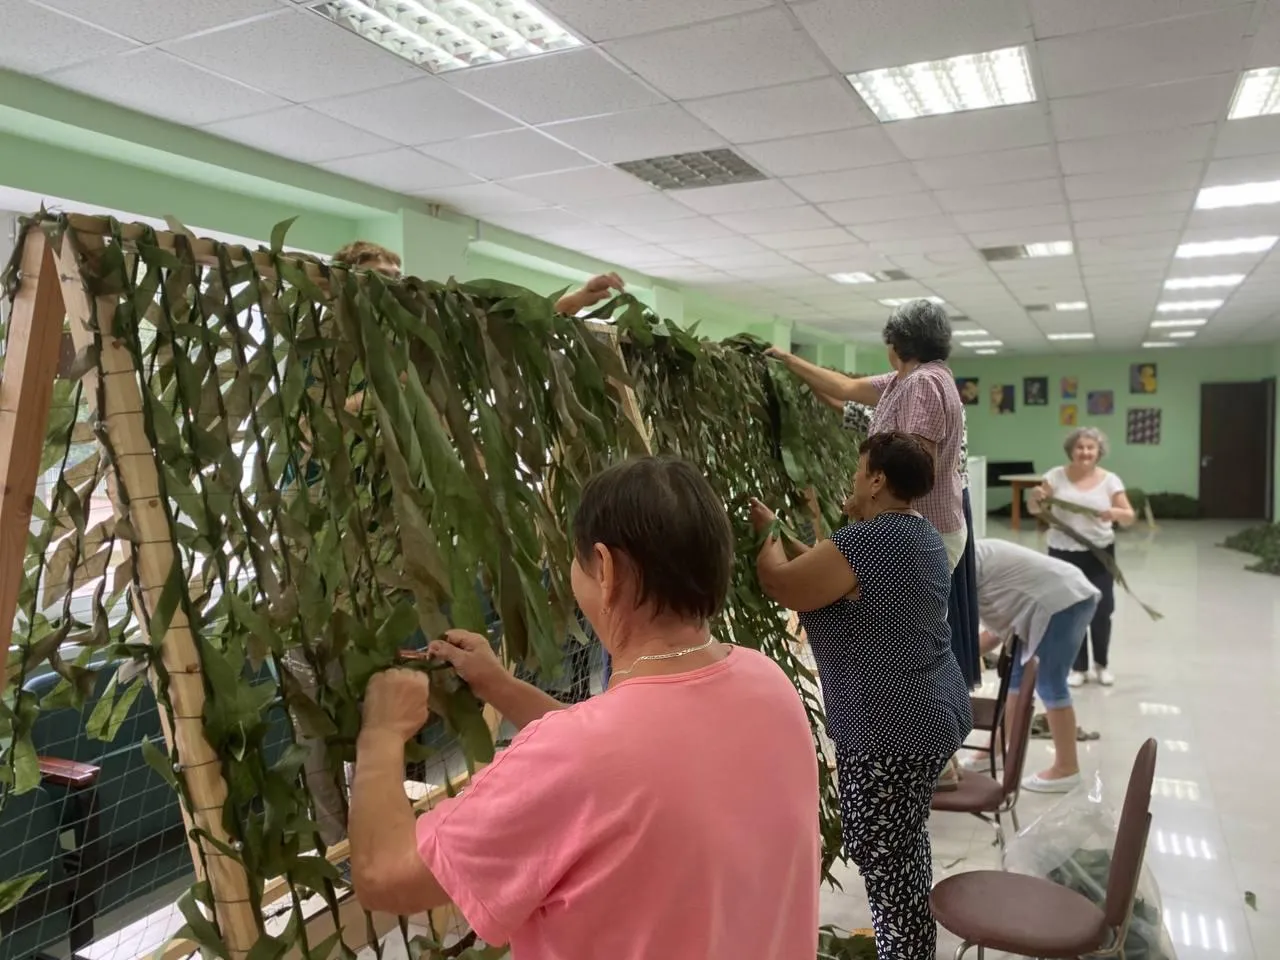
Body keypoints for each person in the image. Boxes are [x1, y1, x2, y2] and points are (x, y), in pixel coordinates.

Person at [349, 457, 820, 958]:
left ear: (607, 569)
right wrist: (500, 685)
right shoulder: (767, 683)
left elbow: (385, 875)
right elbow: (629, 763)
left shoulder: (580, 758)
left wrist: (380, 733)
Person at [284, 244, 627, 847]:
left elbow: (488, 340)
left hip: (389, 577)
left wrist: (570, 304)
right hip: (320, 582)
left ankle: (388, 829)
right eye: (377, 281)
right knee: (320, 723)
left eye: (397, 278)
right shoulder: (323, 365)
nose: (392, 291)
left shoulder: (410, 360)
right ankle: (342, 852)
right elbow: (325, 426)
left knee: (391, 705)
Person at [751, 432, 972, 960]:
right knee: (902, 845)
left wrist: (767, 533)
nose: (851, 480)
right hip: (931, 714)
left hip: (890, 730)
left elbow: (783, 583)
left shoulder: (871, 541)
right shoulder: (917, 536)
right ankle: (910, 943)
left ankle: (905, 950)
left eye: (857, 471)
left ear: (876, 479)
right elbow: (829, 577)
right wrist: (786, 532)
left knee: (882, 854)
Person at [770, 301, 975, 789]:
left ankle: (928, 755)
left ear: (895, 344)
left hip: (922, 526)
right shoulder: (909, 380)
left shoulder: (924, 384)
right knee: (906, 632)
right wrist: (787, 360)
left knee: (907, 639)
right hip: (918, 523)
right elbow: (842, 388)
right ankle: (922, 748)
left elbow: (914, 467)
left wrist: (872, 499)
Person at [973, 539, 1101, 793]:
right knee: (1016, 679)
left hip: (1062, 601)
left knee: (1049, 682)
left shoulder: (961, 568)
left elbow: (989, 635)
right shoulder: (970, 556)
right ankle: (996, 749)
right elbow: (995, 631)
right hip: (1051, 599)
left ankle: (1067, 768)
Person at [1028, 427, 1135, 687]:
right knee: (1071, 609)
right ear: (1071, 450)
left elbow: (1129, 515)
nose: (1085, 452)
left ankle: (1101, 664)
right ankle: (1078, 667)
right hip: (1062, 552)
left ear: (1099, 451)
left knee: (1102, 608)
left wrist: (1115, 513)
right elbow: (1035, 510)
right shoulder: (1055, 476)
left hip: (1099, 552)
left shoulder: (1111, 480)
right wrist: (1035, 497)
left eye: (1090, 447)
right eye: (1080, 447)